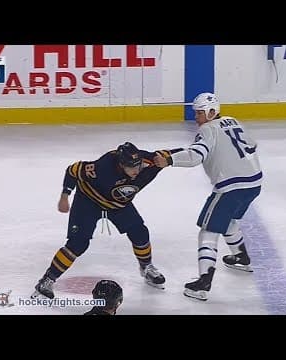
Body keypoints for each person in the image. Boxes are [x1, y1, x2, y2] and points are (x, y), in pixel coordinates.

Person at [154, 92, 262, 301]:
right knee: (230, 221)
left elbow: (195, 156)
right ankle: (241, 256)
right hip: (254, 183)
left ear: (212, 112)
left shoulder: (207, 129)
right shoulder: (233, 120)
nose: (196, 117)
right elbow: (252, 144)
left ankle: (203, 282)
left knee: (208, 231)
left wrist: (168, 161)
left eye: (200, 113)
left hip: (230, 187)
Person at [31, 142, 172, 300]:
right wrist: (65, 195)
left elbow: (178, 154)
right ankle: (47, 280)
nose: (136, 171)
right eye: (131, 167)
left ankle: (146, 267)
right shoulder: (102, 167)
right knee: (78, 243)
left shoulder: (152, 161)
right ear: (120, 164)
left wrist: (182, 156)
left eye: (138, 165)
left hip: (118, 204)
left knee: (139, 231)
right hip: (88, 201)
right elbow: (73, 170)